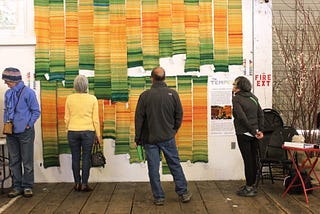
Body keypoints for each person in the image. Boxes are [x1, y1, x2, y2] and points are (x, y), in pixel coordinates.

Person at [135, 66, 192, 206]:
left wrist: (138, 138)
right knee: (175, 165)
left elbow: (139, 119)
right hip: (168, 137)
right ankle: (183, 193)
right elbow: (179, 115)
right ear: (164, 78)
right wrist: (173, 130)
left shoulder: (145, 96)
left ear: (151, 79)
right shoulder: (173, 94)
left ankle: (159, 197)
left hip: (150, 139)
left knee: (153, 168)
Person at [2, 67, 41, 198]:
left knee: (27, 160)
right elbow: (6, 110)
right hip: (11, 132)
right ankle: (17, 186)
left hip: (25, 132)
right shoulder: (8, 94)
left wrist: (28, 125)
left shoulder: (29, 93)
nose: (5, 83)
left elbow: (36, 111)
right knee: (14, 160)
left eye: (7, 80)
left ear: (14, 80)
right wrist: (6, 124)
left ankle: (28, 186)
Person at [64, 75, 101, 192]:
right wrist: (98, 134)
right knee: (86, 157)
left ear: (75, 85)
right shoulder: (92, 99)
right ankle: (84, 184)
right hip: (88, 131)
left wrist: (67, 129)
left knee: (75, 157)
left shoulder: (69, 99)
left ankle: (76, 183)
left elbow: (66, 118)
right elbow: (95, 119)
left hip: (72, 130)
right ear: (86, 85)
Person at [232, 76, 264, 197]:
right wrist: (259, 130)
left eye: (234, 84)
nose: (233, 86)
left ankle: (249, 187)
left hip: (244, 134)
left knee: (248, 160)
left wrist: (252, 131)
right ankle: (252, 185)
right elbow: (261, 114)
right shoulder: (253, 97)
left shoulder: (237, 99)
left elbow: (241, 117)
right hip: (255, 134)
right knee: (254, 159)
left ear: (239, 87)